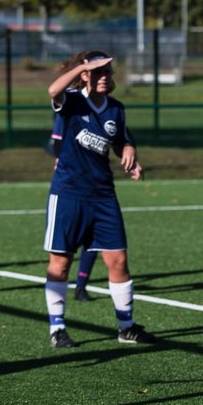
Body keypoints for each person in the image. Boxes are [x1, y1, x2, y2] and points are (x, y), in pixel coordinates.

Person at [43, 51, 154, 348]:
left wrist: (129, 150)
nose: (105, 76)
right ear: (85, 75)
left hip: (103, 195)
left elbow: (120, 141)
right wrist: (83, 66)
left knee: (118, 260)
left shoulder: (116, 109)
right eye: (98, 71)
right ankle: (57, 328)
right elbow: (52, 91)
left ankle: (126, 327)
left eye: (108, 71)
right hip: (68, 193)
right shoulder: (72, 100)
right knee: (61, 263)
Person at [51, 113, 100, 301]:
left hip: (96, 184)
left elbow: (121, 136)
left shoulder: (108, 109)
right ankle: (56, 321)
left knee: (94, 238)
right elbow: (56, 144)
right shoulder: (69, 107)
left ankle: (81, 286)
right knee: (65, 246)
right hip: (69, 186)